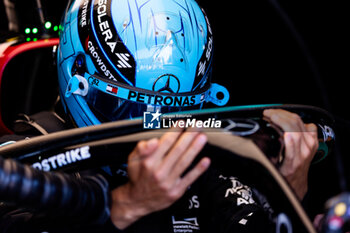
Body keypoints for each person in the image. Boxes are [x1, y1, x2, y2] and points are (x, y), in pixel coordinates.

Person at [0, 0, 319, 232]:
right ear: (76, 76)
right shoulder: (19, 165)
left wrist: (285, 197)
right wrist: (129, 204)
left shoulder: (204, 159)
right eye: (130, 107)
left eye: (176, 108)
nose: (155, 126)